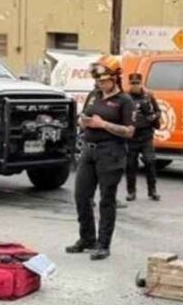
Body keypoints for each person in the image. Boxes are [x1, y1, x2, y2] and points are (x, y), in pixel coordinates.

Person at [66, 55, 134, 261]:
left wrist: (103, 124)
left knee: (106, 199)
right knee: (81, 196)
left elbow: (129, 131)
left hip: (111, 152)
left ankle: (103, 244)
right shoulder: (94, 95)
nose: (100, 84)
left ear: (114, 79)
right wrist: (84, 122)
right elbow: (85, 117)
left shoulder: (124, 101)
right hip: (89, 150)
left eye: (104, 80)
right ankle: (87, 238)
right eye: (98, 81)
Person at [125, 72, 161, 202]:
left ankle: (152, 191)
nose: (135, 86)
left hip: (146, 135)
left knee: (150, 162)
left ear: (141, 83)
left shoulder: (148, 96)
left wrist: (152, 116)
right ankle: (131, 191)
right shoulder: (126, 97)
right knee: (130, 165)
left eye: (137, 83)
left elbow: (158, 111)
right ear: (130, 84)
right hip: (132, 136)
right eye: (133, 83)